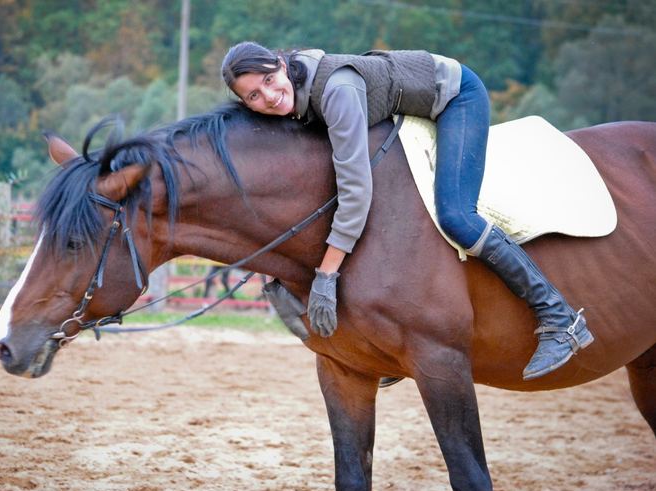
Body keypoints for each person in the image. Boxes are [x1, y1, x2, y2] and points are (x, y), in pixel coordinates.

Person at [221, 41, 593, 381]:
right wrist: (272, 277)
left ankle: (559, 317)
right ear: (245, 104)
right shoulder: (287, 105)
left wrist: (326, 274)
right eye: (254, 95)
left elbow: (354, 193)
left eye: (270, 80)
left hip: (453, 96)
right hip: (393, 111)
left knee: (457, 217)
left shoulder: (336, 91)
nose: (270, 96)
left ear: (283, 65)